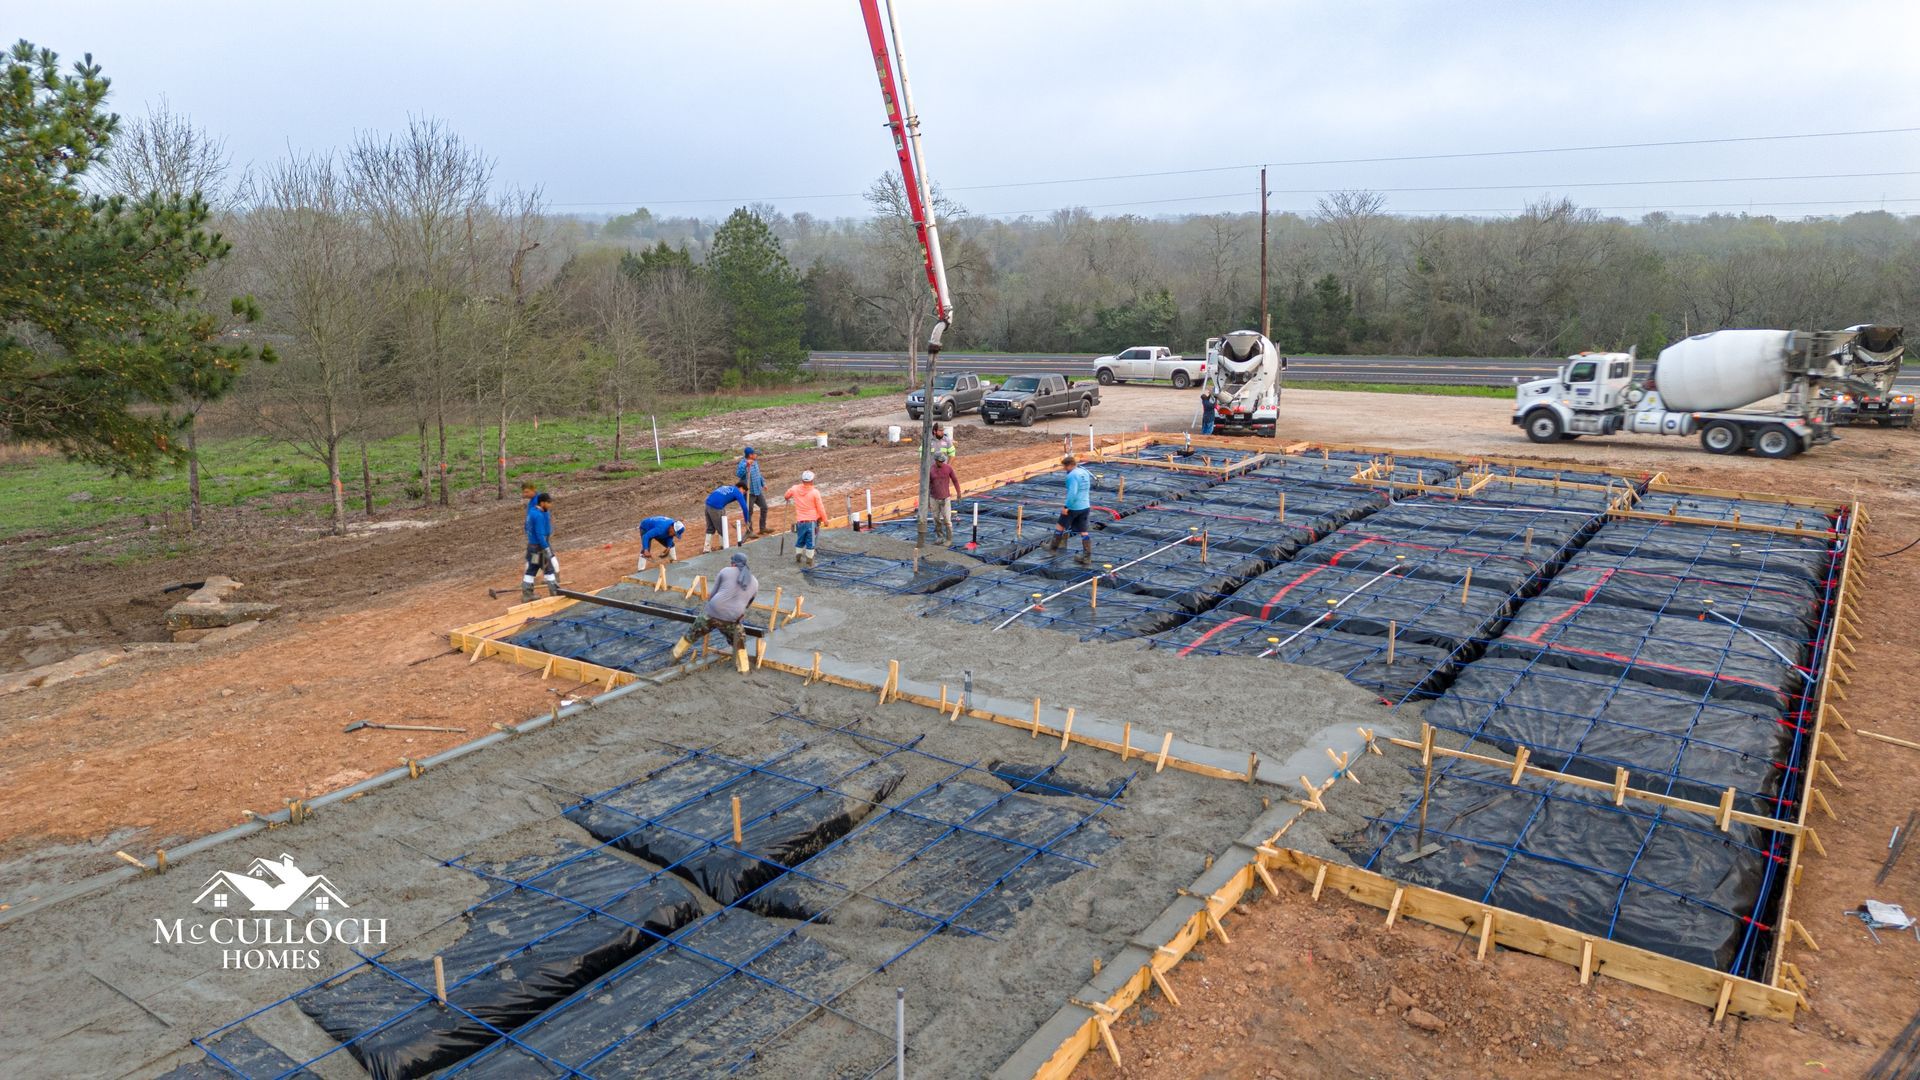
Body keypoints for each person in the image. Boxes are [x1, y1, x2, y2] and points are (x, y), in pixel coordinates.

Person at [672, 551, 760, 674]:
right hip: (733, 618)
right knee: (739, 641)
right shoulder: (755, 582)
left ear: (733, 564)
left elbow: (712, 595)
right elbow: (747, 605)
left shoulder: (725, 571)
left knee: (692, 633)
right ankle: (743, 669)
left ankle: (674, 657)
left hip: (712, 612)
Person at [1048, 453, 1094, 567]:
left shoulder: (1071, 475)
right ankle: (1087, 558)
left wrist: (1066, 507)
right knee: (1084, 531)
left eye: (1064, 467)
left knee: (1060, 525)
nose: (1064, 469)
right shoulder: (1084, 472)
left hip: (1073, 507)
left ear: (1069, 465)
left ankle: (1053, 548)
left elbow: (1072, 493)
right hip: (1085, 506)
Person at [520, 492, 560, 601]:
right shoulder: (538, 516)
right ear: (542, 503)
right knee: (549, 569)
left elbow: (526, 527)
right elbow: (539, 535)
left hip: (532, 547)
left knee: (532, 569)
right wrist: (546, 548)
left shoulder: (532, 512)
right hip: (540, 548)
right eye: (548, 503)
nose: (550, 505)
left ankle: (527, 594)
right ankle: (555, 593)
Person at [784, 469, 827, 566]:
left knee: (800, 539)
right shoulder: (815, 492)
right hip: (811, 522)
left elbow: (786, 495)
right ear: (812, 481)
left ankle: (798, 557)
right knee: (810, 542)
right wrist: (825, 520)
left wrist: (787, 497)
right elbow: (820, 508)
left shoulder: (794, 489)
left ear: (802, 480)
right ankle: (809, 561)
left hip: (800, 522)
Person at [702, 481, 750, 552]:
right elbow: (745, 508)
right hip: (716, 507)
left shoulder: (727, 487)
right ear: (741, 488)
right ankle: (724, 546)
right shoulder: (737, 492)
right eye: (744, 492)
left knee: (710, 527)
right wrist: (747, 521)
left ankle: (706, 548)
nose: (743, 494)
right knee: (722, 528)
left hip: (707, 504)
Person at [928, 449, 961, 543]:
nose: (942, 463)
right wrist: (927, 501)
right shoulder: (931, 470)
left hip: (945, 498)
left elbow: (955, 480)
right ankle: (940, 536)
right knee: (936, 519)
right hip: (934, 498)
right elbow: (927, 485)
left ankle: (949, 538)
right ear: (936, 460)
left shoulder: (948, 468)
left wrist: (958, 493)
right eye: (940, 461)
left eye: (943, 461)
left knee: (947, 520)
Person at [735, 446, 769, 536]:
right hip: (749, 492)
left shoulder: (755, 462)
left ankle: (762, 528)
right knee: (749, 512)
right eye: (755, 454)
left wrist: (763, 484)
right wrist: (746, 465)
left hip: (758, 490)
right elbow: (738, 474)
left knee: (764, 507)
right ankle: (749, 531)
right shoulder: (742, 463)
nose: (756, 455)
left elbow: (758, 475)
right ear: (750, 455)